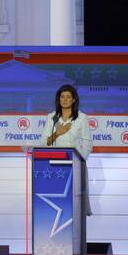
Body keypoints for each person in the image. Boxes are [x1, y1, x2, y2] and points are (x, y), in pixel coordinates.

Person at [42, 84, 93, 215]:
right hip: (55, 165)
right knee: (56, 200)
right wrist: (58, 133)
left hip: (75, 164)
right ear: (58, 99)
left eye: (68, 97)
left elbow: (87, 143)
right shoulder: (52, 117)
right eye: (62, 97)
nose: (64, 99)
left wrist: (80, 160)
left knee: (74, 201)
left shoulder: (82, 118)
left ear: (74, 100)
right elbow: (44, 142)